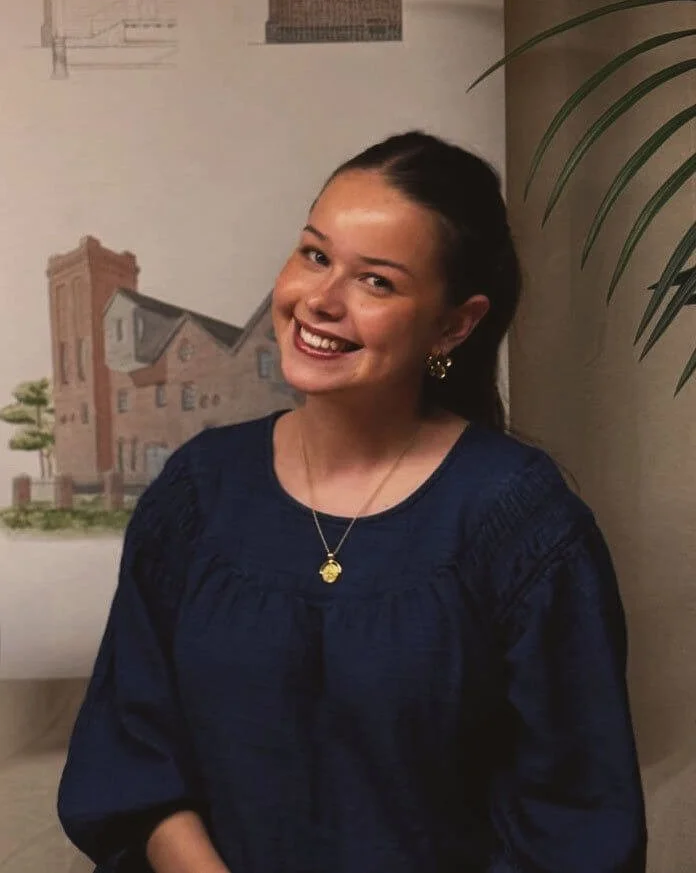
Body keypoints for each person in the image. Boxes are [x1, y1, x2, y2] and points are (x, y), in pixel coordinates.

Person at [57, 131, 647, 873]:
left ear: (454, 323)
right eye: (314, 254)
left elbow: (573, 821)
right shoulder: (198, 491)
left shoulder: (523, 525)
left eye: (377, 281)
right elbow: (132, 753)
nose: (321, 301)